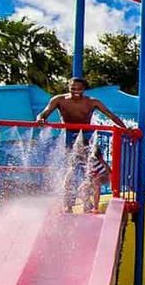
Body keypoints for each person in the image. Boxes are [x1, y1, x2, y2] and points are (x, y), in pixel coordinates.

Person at [36, 77, 127, 212]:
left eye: (79, 89)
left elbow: (111, 115)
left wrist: (125, 129)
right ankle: (67, 204)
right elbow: (44, 113)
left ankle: (88, 202)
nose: (76, 91)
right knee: (71, 168)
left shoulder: (92, 102)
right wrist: (40, 119)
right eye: (73, 88)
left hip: (86, 134)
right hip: (69, 133)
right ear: (68, 87)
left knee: (90, 170)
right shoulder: (59, 100)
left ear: (84, 89)